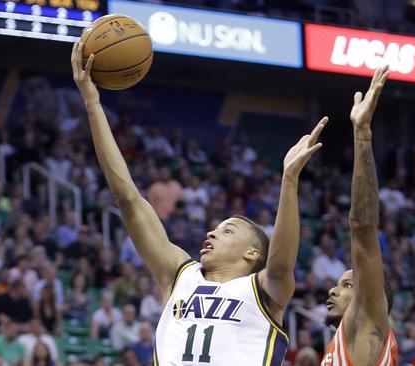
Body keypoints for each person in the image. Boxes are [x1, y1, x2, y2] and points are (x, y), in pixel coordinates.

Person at [72, 41, 327, 365]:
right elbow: (128, 198)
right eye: (217, 228)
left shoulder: (265, 290)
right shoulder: (180, 275)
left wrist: (289, 181)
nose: (212, 233)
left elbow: (280, 262)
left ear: (252, 253)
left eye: (228, 230)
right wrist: (93, 103)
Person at [320, 66, 398, 366]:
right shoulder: (343, 344)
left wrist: (362, 135)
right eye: (340, 283)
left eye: (347, 285)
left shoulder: (369, 323)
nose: (333, 289)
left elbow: (363, 228)